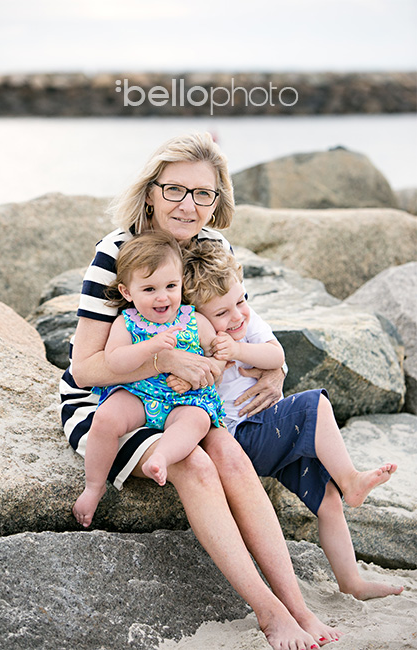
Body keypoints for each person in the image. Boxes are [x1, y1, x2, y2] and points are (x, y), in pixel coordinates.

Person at [60, 132, 339, 649]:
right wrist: (162, 357)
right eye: (174, 190)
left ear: (218, 199)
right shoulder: (116, 252)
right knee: (197, 465)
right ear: (150, 191)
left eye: (203, 193)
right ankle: (270, 613)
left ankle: (298, 605)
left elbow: (240, 327)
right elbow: (84, 369)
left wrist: (273, 373)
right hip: (117, 398)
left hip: (193, 396)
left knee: (230, 458)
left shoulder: (216, 249)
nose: (189, 206)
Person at [181, 239, 402, 600]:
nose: (237, 316)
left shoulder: (244, 325)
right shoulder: (195, 336)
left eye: (241, 300)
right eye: (222, 313)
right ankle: (352, 480)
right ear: (198, 314)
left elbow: (275, 354)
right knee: (314, 404)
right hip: (242, 437)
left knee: (327, 499)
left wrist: (237, 348)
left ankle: (352, 581)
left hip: (277, 434)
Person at [72, 231, 225, 527]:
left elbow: (219, 355)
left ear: (182, 283)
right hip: (138, 394)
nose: (162, 296)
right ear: (127, 292)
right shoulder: (126, 322)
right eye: (149, 289)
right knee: (104, 419)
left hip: (185, 399)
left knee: (197, 421)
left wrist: (207, 370)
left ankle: (162, 458)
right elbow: (115, 361)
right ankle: (94, 486)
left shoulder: (194, 320)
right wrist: (151, 347)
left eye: (171, 285)